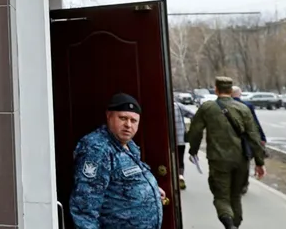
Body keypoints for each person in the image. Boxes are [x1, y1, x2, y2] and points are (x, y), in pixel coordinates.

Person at [69, 93, 166, 229]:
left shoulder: (129, 145)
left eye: (133, 121)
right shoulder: (97, 149)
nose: (128, 125)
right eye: (123, 118)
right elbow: (84, 207)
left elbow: (123, 182)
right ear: (109, 116)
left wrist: (151, 189)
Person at [187, 77, 266, 229]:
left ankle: (229, 225)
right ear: (231, 90)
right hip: (241, 160)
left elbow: (195, 131)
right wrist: (259, 162)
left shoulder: (207, 108)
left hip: (218, 160)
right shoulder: (243, 108)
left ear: (216, 89)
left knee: (221, 197)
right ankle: (235, 225)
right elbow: (254, 137)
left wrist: (193, 151)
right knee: (236, 196)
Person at [232, 86, 267, 194]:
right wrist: (262, 137)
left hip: (229, 139)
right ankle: (243, 184)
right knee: (244, 161)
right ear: (240, 94)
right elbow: (254, 123)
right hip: (245, 139)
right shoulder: (247, 106)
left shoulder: (222, 106)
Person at [173, 100, 194, 190]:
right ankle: (180, 176)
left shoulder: (160, 106)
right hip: (180, 139)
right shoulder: (178, 106)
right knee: (180, 159)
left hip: (165, 140)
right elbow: (193, 115)